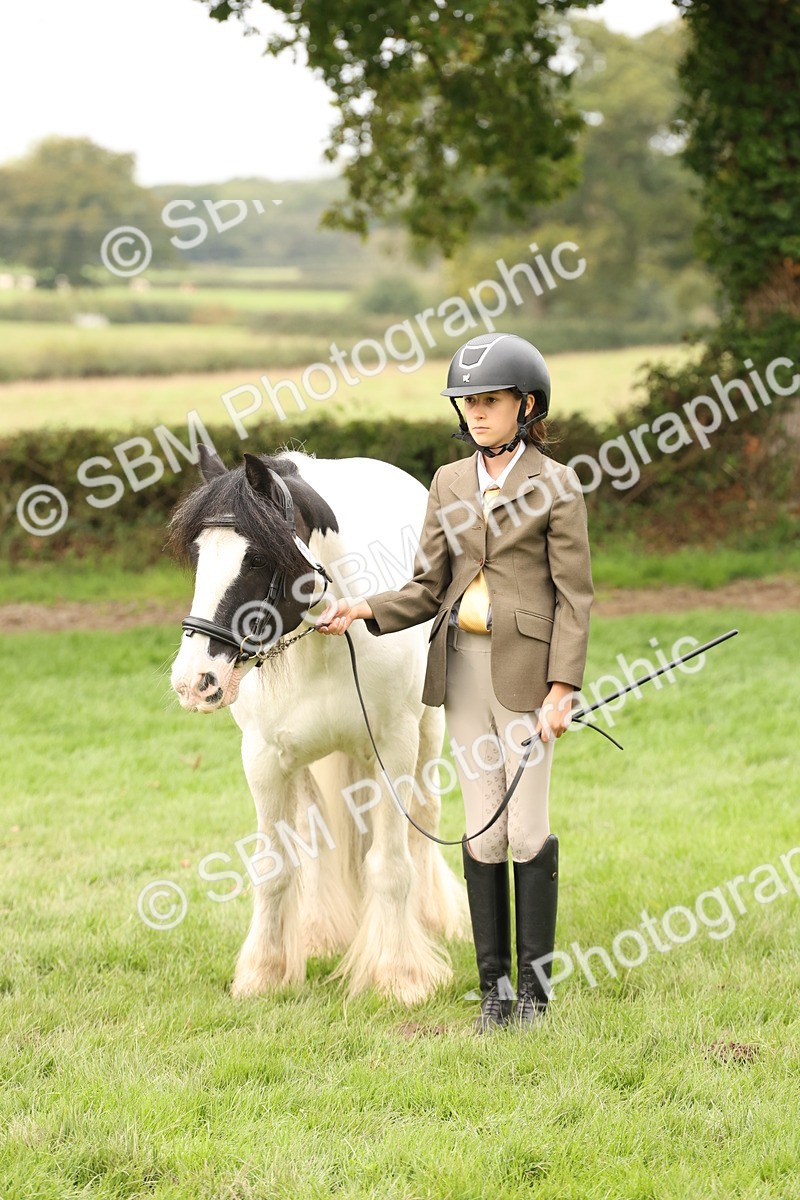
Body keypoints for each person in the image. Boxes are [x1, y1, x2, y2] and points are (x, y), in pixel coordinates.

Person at [318, 331, 593, 1033]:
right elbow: (425, 587)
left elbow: (574, 597)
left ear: (526, 405)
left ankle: (535, 994)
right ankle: (494, 991)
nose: (477, 412)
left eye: (491, 401)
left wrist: (563, 688)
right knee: (481, 831)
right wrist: (363, 609)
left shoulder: (556, 484)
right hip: (462, 669)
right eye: (468, 402)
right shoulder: (448, 483)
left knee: (525, 829)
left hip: (527, 674)